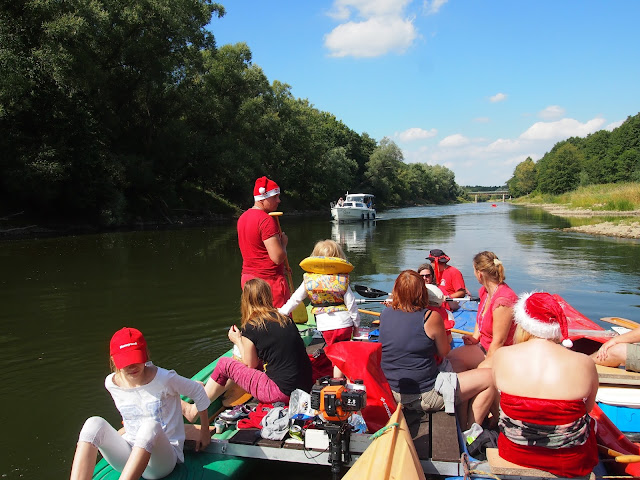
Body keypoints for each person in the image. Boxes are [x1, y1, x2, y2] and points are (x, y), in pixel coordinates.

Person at [70, 328, 211, 480]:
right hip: (129, 455)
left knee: (150, 425)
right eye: (126, 362)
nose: (132, 366)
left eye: (136, 359)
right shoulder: (111, 384)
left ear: (146, 355)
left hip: (162, 462)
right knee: (93, 423)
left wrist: (204, 431)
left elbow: (198, 391)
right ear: (113, 361)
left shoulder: (164, 379)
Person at [492, 292, 599, 477]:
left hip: (515, 452)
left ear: (523, 323)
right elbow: (587, 409)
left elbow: (498, 402)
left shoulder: (501, 356)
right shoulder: (585, 363)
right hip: (570, 460)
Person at [378, 270, 495, 431]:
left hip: (392, 390)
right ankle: (469, 432)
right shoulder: (430, 317)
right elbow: (444, 351)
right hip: (424, 396)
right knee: (489, 377)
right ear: (422, 291)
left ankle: (463, 425)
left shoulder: (385, 314)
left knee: (458, 367)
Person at [184, 279, 312, 421]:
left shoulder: (251, 327)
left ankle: (193, 411)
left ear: (245, 300)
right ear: (268, 296)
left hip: (282, 392)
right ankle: (208, 389)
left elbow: (249, 364)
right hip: (304, 385)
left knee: (224, 364)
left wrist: (237, 339)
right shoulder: (284, 318)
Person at [279, 239, 360, 345]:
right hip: (344, 324)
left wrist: (282, 312)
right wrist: (357, 325)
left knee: (329, 352)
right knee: (343, 353)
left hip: (325, 327)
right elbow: (352, 305)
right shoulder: (341, 280)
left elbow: (296, 299)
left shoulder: (309, 281)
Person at [447, 251, 517, 371]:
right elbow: (480, 320)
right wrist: (474, 337)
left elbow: (499, 342)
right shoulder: (485, 292)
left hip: (500, 354)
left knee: (471, 375)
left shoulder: (503, 301)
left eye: (474, 271)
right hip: (484, 347)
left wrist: (484, 368)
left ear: (480, 274)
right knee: (448, 361)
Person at [237, 176, 290, 308]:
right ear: (263, 198)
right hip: (269, 283)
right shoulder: (266, 220)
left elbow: (257, 252)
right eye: (275, 197)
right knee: (278, 323)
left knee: (255, 321)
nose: (278, 200)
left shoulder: (242, 218)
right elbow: (277, 257)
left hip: (249, 281)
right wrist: (283, 243)